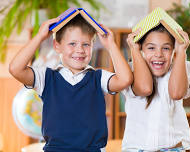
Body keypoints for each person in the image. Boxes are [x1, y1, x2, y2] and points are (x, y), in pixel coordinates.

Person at [9, 15, 133, 152]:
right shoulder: (46, 77)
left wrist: (111, 45)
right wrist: (39, 37)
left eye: (86, 44)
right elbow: (15, 69)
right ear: (57, 46)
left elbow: (125, 80)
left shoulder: (99, 77)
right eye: (72, 44)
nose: (80, 50)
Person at [121, 24, 190, 152]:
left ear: (173, 50)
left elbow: (177, 93)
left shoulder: (181, 70)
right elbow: (145, 88)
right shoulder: (131, 72)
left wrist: (181, 50)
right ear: (141, 49)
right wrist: (134, 49)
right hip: (137, 148)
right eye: (151, 48)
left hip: (173, 148)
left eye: (166, 48)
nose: (158, 54)